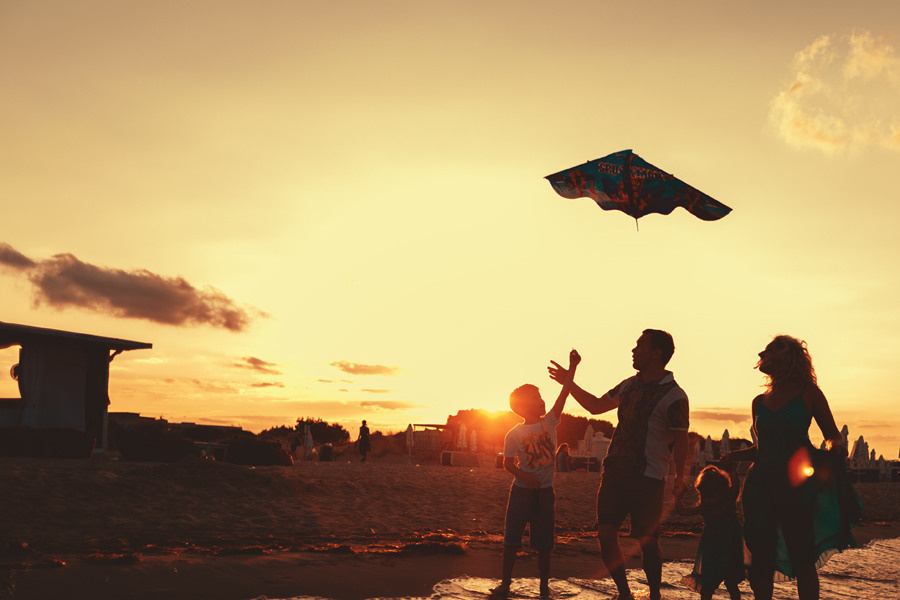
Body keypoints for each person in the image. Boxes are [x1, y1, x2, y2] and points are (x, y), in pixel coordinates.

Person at [548, 329, 689, 600]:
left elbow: (681, 441)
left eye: (640, 345)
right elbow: (595, 406)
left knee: (648, 543)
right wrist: (569, 381)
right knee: (605, 534)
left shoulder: (674, 396)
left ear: (657, 352)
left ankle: (655, 594)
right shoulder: (628, 385)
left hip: (649, 478)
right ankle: (625, 593)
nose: (633, 350)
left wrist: (679, 480)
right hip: (613, 473)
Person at [720, 335, 861, 600]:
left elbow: (832, 435)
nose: (762, 357)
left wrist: (835, 448)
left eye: (770, 352)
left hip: (795, 486)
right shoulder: (759, 402)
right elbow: (764, 448)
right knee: (761, 558)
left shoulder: (809, 393)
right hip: (759, 486)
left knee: (801, 555)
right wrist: (735, 456)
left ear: (787, 358)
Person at [490, 349, 581, 599]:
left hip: (545, 494)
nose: (542, 400)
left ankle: (543, 588)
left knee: (544, 544)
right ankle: (505, 584)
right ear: (522, 405)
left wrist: (573, 368)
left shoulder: (550, 421)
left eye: (541, 396)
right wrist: (523, 474)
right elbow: (507, 463)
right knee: (511, 540)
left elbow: (564, 393)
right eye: (536, 397)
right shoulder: (514, 434)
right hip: (520, 492)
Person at [675, 465, 744, 600]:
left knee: (731, 584)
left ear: (722, 492)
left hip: (730, 549)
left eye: (710, 496)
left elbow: (735, 486)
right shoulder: (705, 507)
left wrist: (733, 471)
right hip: (711, 550)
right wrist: (677, 497)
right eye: (703, 495)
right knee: (707, 586)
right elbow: (682, 511)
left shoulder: (728, 504)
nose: (706, 499)